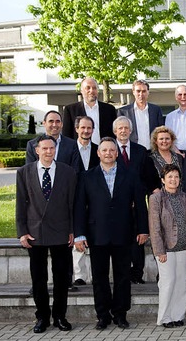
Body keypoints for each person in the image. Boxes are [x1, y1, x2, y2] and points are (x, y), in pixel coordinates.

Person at [74, 137, 148, 330]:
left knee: (123, 276)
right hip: (96, 234)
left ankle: (121, 314)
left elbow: (140, 205)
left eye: (111, 150)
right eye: (104, 150)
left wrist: (142, 229)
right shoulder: (86, 177)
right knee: (99, 277)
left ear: (117, 153)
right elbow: (80, 208)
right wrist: (79, 234)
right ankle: (103, 315)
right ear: (98, 153)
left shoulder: (131, 175)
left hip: (124, 234)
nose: (108, 153)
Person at [16, 135, 77, 333]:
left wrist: (72, 230)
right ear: (37, 150)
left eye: (52, 148)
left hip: (61, 232)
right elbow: (21, 204)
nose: (49, 152)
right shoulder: (24, 172)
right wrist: (22, 232)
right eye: (45, 148)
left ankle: (60, 316)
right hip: (35, 233)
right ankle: (42, 317)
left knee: (61, 279)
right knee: (38, 279)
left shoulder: (68, 172)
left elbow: (72, 204)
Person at [148, 164, 186, 328]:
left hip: (184, 245)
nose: (173, 180)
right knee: (168, 282)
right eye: (170, 177)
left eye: (176, 176)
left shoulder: (185, 197)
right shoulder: (156, 198)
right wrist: (159, 250)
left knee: (181, 283)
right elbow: (154, 227)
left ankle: (178, 315)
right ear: (163, 180)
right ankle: (165, 317)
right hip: (166, 249)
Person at [113, 116, 149, 285]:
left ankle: (137, 274)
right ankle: (124, 274)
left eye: (126, 128)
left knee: (138, 241)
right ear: (115, 131)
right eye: (120, 128)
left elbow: (145, 178)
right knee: (120, 241)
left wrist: (136, 197)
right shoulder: (108, 150)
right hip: (116, 207)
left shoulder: (141, 151)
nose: (123, 131)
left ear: (131, 130)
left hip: (137, 205)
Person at [72, 116, 99, 287]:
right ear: (77, 129)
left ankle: (95, 274)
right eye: (83, 128)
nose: (86, 131)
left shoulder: (98, 150)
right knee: (77, 232)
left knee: (94, 234)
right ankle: (79, 274)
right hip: (74, 197)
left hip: (95, 198)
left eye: (89, 128)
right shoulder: (68, 150)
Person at [62, 77, 117, 143]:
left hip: (104, 151)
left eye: (94, 88)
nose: (91, 91)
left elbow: (114, 133)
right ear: (81, 91)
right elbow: (66, 136)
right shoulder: (70, 110)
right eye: (88, 88)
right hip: (79, 151)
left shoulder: (109, 109)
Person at [117, 79, 164, 150]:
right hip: (133, 152)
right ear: (133, 92)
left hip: (153, 152)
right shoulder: (123, 111)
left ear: (148, 92)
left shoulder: (156, 110)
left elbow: (161, 131)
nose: (141, 94)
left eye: (144, 91)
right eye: (138, 91)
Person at [144, 126, 184, 194]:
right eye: (161, 139)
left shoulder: (179, 158)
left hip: (180, 196)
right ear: (156, 141)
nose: (164, 141)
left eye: (167, 138)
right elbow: (148, 180)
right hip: (159, 197)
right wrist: (159, 195)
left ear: (171, 141)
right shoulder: (149, 159)